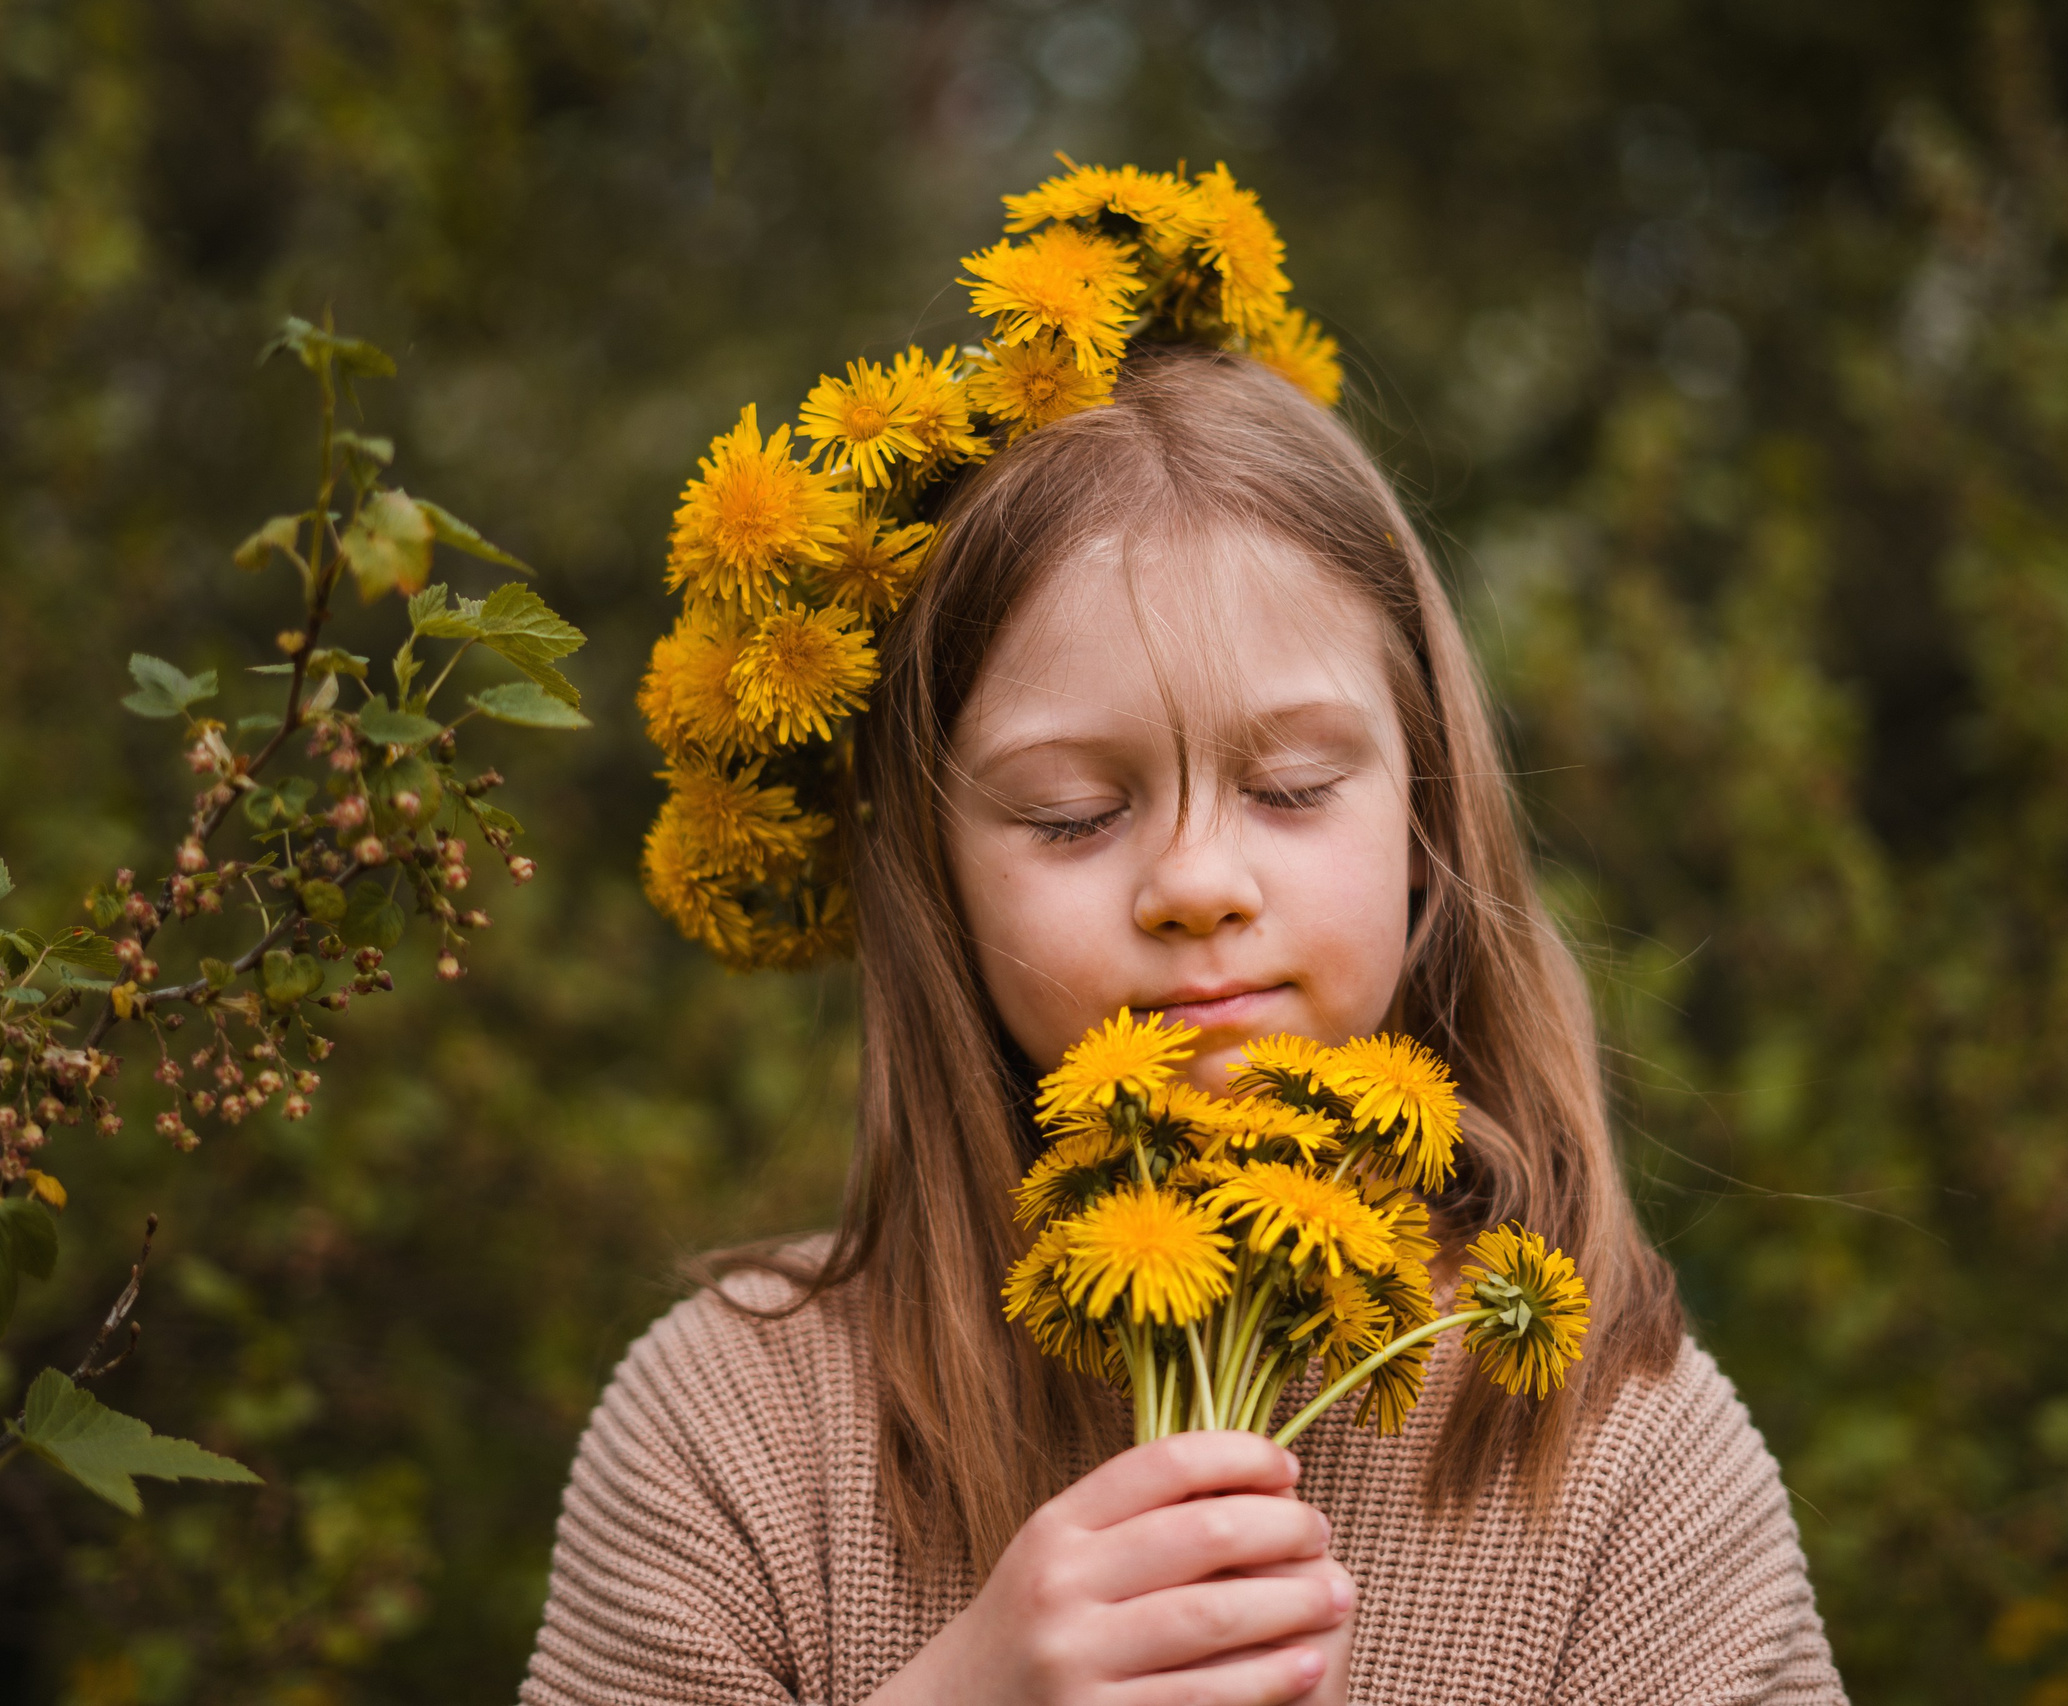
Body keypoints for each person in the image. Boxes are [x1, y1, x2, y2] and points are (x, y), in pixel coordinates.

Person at [523, 342, 1848, 1704]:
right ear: (933, 876)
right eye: (1073, 815)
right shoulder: (728, 1426)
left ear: (1427, 817)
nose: (1197, 886)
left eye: (1287, 785)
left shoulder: (1629, 1462)